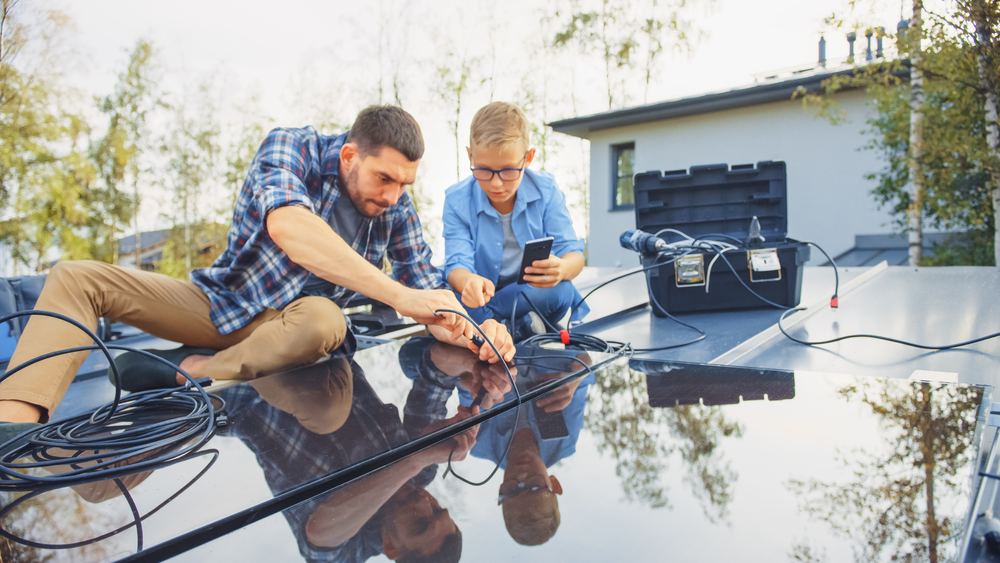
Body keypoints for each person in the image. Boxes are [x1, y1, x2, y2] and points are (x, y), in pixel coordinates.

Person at [0, 105, 514, 439]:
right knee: (74, 276)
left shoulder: (394, 206)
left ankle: (194, 370)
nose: (392, 195)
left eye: (404, 184)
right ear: (350, 154)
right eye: (384, 178)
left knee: (324, 321)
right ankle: (12, 428)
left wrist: (477, 329)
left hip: (298, 328)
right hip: (223, 302)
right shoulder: (290, 147)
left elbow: (424, 286)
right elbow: (292, 228)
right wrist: (398, 295)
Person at [442, 101, 588, 341]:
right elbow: (456, 266)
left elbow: (574, 256)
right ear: (470, 155)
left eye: (509, 171)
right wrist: (467, 281)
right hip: (482, 297)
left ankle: (496, 327)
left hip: (530, 294)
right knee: (451, 298)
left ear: (527, 158)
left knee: (561, 290)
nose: (496, 183)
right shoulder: (457, 200)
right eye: (483, 170)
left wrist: (561, 269)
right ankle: (518, 327)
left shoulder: (546, 190)